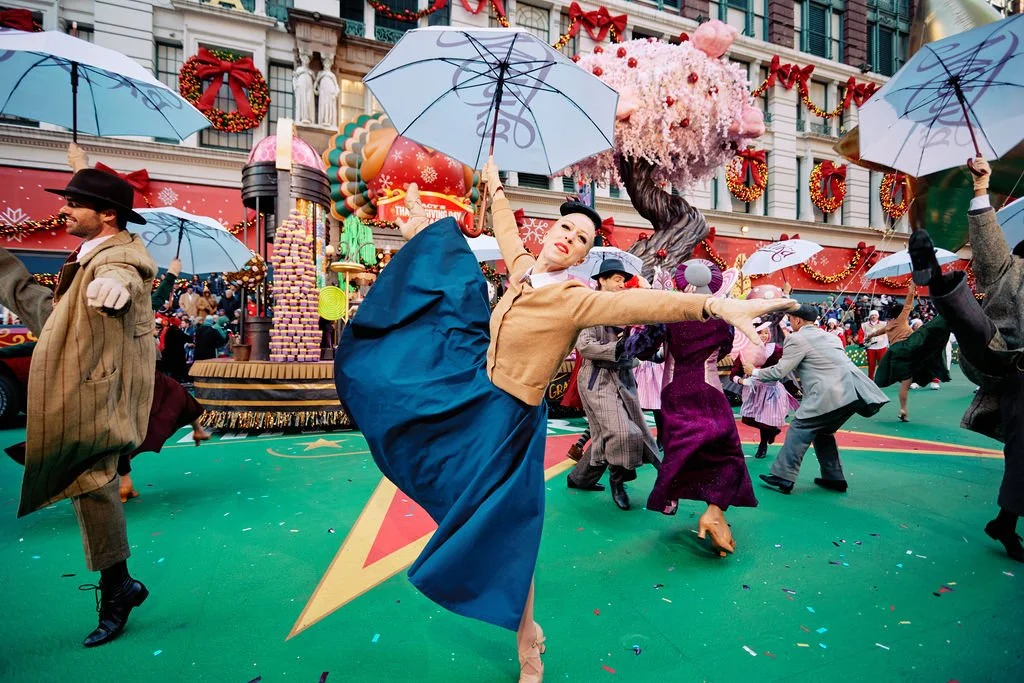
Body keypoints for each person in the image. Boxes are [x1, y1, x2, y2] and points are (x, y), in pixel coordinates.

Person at [334, 165, 796, 681]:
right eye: (565, 229)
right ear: (550, 233)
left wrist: (713, 305)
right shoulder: (522, 269)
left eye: (581, 240)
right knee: (439, 466)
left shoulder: (575, 298)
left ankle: (527, 639)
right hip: (475, 403)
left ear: (583, 256)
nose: (569, 239)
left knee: (510, 532)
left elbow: (642, 302)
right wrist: (493, 188)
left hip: (512, 425)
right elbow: (507, 230)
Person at [0, 169, 156, 646]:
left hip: (97, 394)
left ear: (107, 214)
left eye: (73, 202)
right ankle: (119, 585)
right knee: (89, 482)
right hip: (80, 381)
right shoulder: (88, 254)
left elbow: (130, 270)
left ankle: (118, 588)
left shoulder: (119, 255)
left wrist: (117, 287)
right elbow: (54, 316)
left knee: (93, 481)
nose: (63, 209)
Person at [908, 155, 1024, 562]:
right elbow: (990, 243)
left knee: (1021, 457)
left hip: (1013, 388)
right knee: (976, 329)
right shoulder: (1012, 270)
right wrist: (980, 187)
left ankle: (1005, 523)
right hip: (1003, 361)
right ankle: (937, 279)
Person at [629, 260, 758, 557]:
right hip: (710, 390)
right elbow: (725, 349)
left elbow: (641, 350)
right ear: (713, 284)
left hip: (675, 391)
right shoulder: (721, 319)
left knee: (680, 448)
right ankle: (714, 509)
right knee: (725, 449)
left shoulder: (669, 314)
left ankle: (671, 497)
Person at [755, 304, 889, 495]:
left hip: (830, 393)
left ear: (798, 320)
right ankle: (834, 478)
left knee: (800, 428)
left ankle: (783, 477)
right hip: (854, 393)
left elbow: (780, 371)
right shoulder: (830, 336)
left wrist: (754, 373)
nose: (791, 323)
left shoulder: (797, 338)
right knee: (823, 431)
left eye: (791, 319)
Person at [564, 259, 660, 511]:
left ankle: (579, 478)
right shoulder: (588, 307)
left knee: (604, 435)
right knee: (622, 432)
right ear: (601, 280)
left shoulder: (626, 307)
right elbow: (584, 346)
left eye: (622, 279)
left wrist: (646, 350)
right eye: (616, 278)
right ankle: (618, 481)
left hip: (624, 379)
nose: (621, 283)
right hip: (598, 379)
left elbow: (637, 345)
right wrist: (618, 346)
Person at [731, 314, 800, 459]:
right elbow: (734, 374)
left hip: (771, 390)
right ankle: (772, 431)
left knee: (765, 419)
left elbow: (783, 368)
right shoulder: (744, 352)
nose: (763, 336)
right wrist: (743, 381)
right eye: (759, 333)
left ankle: (762, 446)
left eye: (765, 332)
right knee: (747, 419)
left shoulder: (775, 349)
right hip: (752, 391)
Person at [864, 284, 917, 421]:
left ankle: (902, 407)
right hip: (905, 350)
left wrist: (869, 336)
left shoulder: (889, 325)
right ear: (900, 313)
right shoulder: (901, 320)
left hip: (893, 353)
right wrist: (912, 288)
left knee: (904, 382)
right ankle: (903, 409)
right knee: (906, 383)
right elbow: (908, 304)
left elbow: (878, 332)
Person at [862, 309, 888, 380]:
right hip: (871, 347)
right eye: (872, 315)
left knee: (882, 363)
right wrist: (862, 342)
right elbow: (861, 334)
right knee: (871, 364)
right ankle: (870, 378)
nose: (873, 316)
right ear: (870, 316)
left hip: (881, 346)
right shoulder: (864, 325)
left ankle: (882, 378)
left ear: (878, 316)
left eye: (875, 315)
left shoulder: (884, 324)